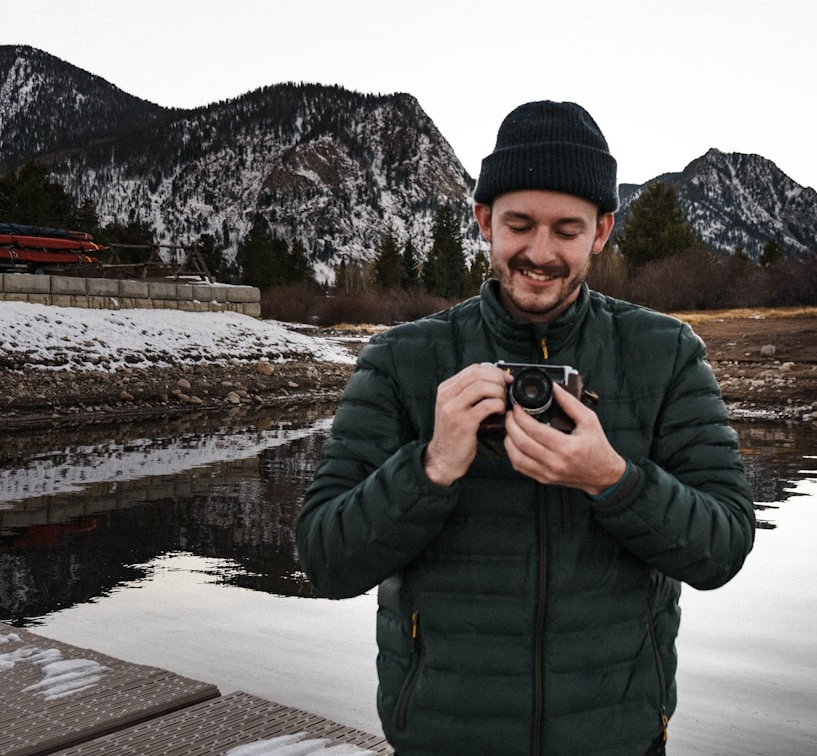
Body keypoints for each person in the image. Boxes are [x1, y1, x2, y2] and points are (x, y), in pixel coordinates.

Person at [295, 100, 756, 755]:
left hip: (617, 738)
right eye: (519, 225)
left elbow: (726, 544)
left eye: (567, 230)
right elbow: (324, 559)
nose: (541, 253)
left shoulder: (667, 353)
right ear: (485, 221)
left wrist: (613, 480)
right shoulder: (401, 360)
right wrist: (432, 468)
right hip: (444, 738)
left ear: (601, 231)